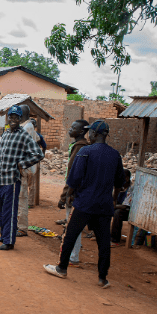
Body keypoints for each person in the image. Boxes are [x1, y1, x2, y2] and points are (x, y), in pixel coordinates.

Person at [44, 120, 125, 288]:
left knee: (70, 235)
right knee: (104, 242)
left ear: (94, 134)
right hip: (104, 205)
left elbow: (74, 179)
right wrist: (114, 200)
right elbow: (120, 183)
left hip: (84, 203)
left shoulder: (85, 152)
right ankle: (102, 278)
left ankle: (62, 268)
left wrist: (68, 196)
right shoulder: (115, 155)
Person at [0, 106, 44, 250]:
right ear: (8, 118)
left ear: (20, 119)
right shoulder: (6, 134)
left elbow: (38, 154)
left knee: (10, 211)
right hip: (1, 179)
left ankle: (9, 242)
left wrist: (21, 164)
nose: (13, 119)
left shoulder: (23, 135)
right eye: (11, 117)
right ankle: (4, 235)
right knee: (1, 210)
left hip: (12, 180)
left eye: (16, 117)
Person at [55, 119, 90, 264]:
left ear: (81, 132)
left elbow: (73, 174)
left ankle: (73, 256)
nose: (70, 129)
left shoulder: (80, 147)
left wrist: (65, 195)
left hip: (73, 192)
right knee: (74, 225)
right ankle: (73, 253)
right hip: (76, 190)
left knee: (73, 226)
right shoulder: (79, 146)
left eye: (73, 128)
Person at [15, 108, 40, 238]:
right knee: (20, 197)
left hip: (24, 169)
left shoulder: (27, 128)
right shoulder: (28, 127)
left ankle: (22, 227)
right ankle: (19, 225)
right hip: (26, 168)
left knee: (22, 197)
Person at [111, 170, 133, 246]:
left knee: (118, 213)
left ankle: (115, 239)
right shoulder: (120, 187)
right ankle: (97, 233)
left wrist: (112, 206)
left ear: (126, 178)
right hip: (117, 207)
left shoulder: (131, 189)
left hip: (128, 210)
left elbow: (125, 206)